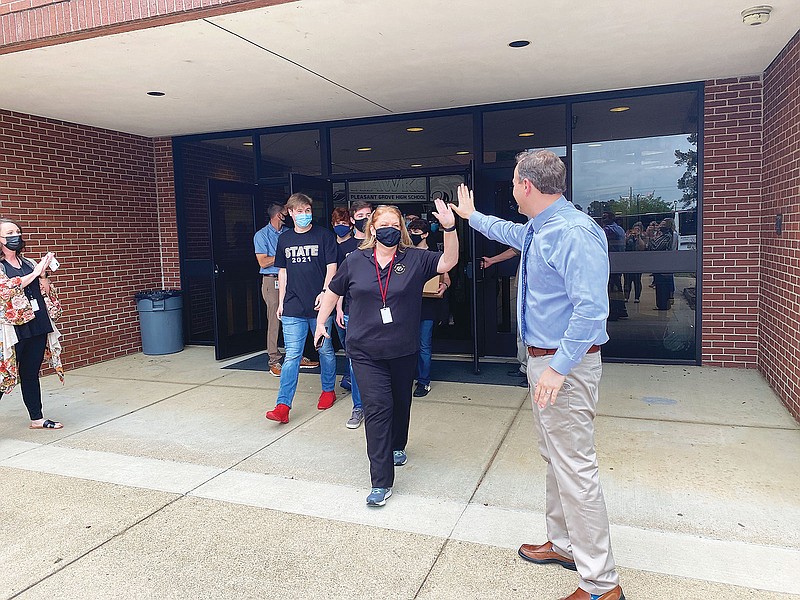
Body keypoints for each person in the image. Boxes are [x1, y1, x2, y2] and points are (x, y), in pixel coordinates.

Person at [451, 150, 624, 600]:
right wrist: (471, 217)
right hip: (544, 361)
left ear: (526, 186)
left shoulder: (573, 232)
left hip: (562, 363)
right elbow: (508, 231)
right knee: (557, 459)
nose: (511, 189)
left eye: (512, 182)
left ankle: (601, 584)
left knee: (575, 468)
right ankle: (564, 545)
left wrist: (558, 369)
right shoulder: (541, 228)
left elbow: (591, 312)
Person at [313, 200, 459, 507]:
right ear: (372, 229)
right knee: (377, 409)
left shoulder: (415, 258)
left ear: (401, 229)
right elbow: (334, 291)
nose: (389, 231)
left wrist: (449, 227)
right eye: (384, 226)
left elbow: (448, 262)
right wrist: (321, 323)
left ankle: (398, 444)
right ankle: (381, 481)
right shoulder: (355, 260)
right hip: (364, 350)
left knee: (399, 402)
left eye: (395, 226)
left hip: (402, 349)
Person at [265, 193, 338, 424]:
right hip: (293, 306)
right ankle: (283, 405)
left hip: (320, 305)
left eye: (308, 210)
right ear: (290, 213)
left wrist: (326, 292)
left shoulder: (324, 235)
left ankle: (328, 390)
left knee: (324, 351)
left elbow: (332, 267)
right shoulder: (284, 240)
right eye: (299, 211)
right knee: (292, 356)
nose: (305, 215)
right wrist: (282, 301)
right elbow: (282, 271)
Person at [0, 219, 65, 430]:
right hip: (12, 327)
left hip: (36, 323)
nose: (15, 236)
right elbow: (7, 289)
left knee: (30, 373)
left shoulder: (28, 263)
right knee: (4, 376)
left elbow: (44, 290)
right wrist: (35, 273)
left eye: (17, 232)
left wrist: (43, 273)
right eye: (9, 233)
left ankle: (37, 418)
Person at [254, 204, 319, 377]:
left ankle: (298, 356)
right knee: (276, 320)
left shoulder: (288, 233)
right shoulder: (262, 235)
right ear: (278, 215)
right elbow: (262, 261)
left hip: (293, 281)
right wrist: (286, 253)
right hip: (272, 280)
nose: (289, 216)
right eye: (285, 213)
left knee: (297, 318)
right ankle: (274, 360)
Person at [332, 204, 366, 428]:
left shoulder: (388, 245)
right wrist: (338, 308)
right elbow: (338, 282)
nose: (365, 219)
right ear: (353, 220)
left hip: (383, 313)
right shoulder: (348, 248)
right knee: (355, 361)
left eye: (368, 215)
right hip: (353, 310)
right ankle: (359, 407)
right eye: (360, 216)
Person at [408, 218, 450, 397]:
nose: (413, 235)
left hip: (427, 306)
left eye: (417, 232)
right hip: (406, 307)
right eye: (411, 232)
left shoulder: (434, 255)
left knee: (424, 345)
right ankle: (406, 377)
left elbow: (446, 278)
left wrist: (444, 286)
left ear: (425, 234)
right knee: (407, 345)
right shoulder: (404, 253)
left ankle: (423, 382)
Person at [481, 247, 527, 387]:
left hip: (541, 291)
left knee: (533, 332)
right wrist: (492, 260)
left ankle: (535, 372)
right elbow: (514, 249)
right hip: (524, 287)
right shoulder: (529, 233)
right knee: (522, 330)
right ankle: (525, 368)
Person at [623, 223, 645, 304]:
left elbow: (642, 247)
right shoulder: (629, 237)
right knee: (627, 281)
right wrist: (627, 237)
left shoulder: (642, 237)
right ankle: (626, 296)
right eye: (634, 229)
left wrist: (638, 237)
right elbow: (624, 246)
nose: (635, 231)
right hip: (628, 262)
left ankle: (637, 297)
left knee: (637, 281)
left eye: (638, 230)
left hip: (637, 263)